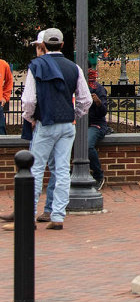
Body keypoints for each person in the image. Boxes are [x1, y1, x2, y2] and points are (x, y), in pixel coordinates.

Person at [20, 28, 90, 230]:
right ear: (61, 44)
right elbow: (85, 100)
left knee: (36, 169)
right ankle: (58, 216)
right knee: (61, 170)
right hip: (67, 125)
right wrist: (73, 115)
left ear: (43, 46)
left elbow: (29, 100)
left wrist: (31, 117)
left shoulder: (36, 66)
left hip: (46, 122)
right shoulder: (74, 68)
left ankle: (29, 214)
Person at [85, 68, 110, 189]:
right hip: (79, 124)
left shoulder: (99, 89)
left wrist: (98, 103)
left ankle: (98, 175)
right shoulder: (77, 88)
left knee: (87, 146)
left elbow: (103, 112)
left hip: (96, 124)